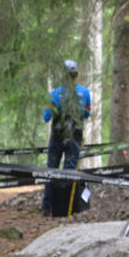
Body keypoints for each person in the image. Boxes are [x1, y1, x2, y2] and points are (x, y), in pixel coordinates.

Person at [41, 59, 91, 217]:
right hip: (75, 136)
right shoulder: (85, 92)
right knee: (70, 171)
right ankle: (66, 209)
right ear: (76, 75)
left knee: (52, 170)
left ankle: (47, 207)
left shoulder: (54, 93)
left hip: (57, 135)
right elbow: (86, 114)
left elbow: (46, 117)